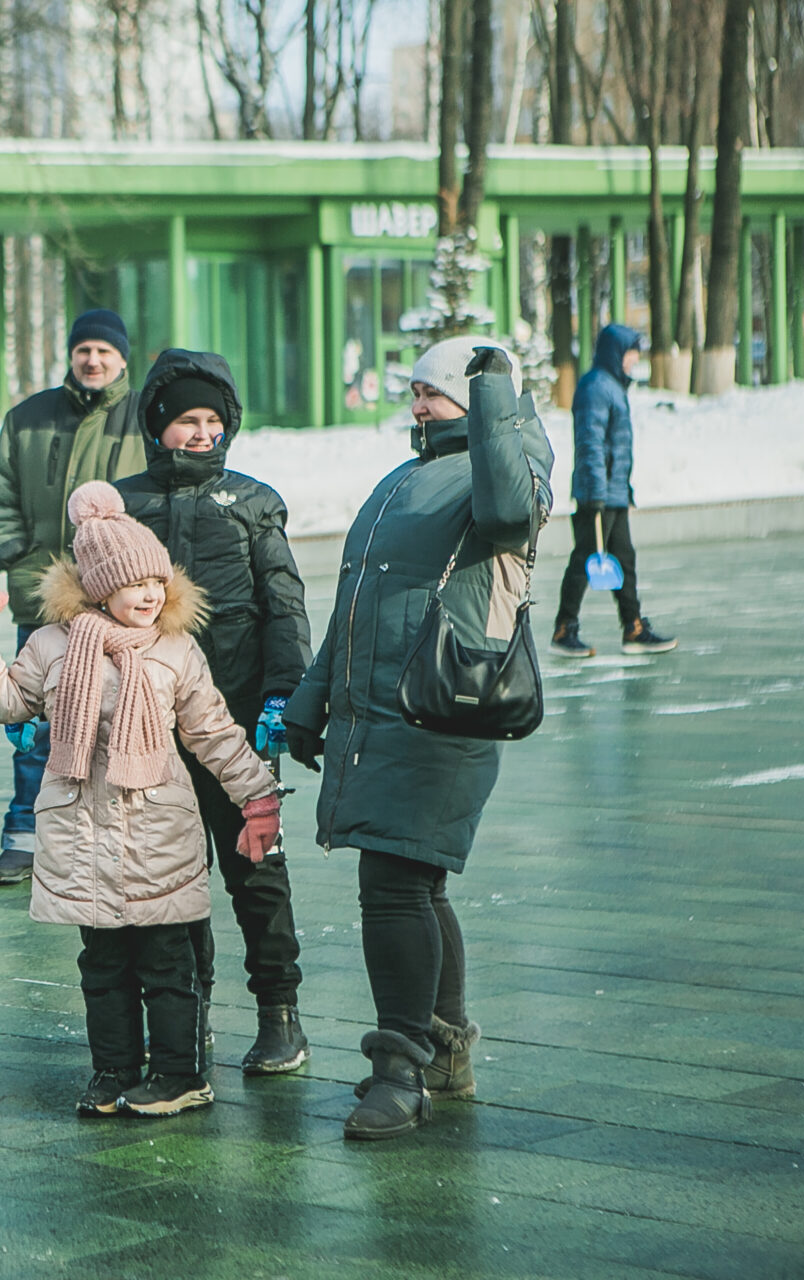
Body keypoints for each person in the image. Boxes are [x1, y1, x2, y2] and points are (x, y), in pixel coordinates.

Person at [283, 339, 552, 1141]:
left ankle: (399, 1072)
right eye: (415, 391)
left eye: (434, 392)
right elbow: (356, 606)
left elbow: (508, 514)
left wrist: (496, 397)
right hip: (379, 712)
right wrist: (310, 700)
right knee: (419, 883)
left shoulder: (510, 465)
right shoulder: (402, 478)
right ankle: (444, 1053)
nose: (419, 404)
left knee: (393, 884)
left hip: (445, 707)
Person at [0, 482, 281, 1117]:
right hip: (82, 832)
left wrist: (257, 799)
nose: (150, 595)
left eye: (157, 581)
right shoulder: (53, 645)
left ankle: (180, 1075)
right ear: (101, 588)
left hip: (158, 830)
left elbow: (214, 733)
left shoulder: (175, 649)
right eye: (134, 584)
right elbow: (5, 701)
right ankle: (114, 1071)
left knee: (167, 964)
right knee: (102, 967)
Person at [114, 349, 314, 1077]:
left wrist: (284, 693)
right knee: (168, 877)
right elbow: (86, 610)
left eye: (212, 421)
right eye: (185, 421)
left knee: (255, 871)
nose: (200, 433)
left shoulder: (253, 502)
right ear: (156, 427)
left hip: (235, 719)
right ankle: (184, 1017)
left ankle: (279, 1013)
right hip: (149, 726)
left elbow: (283, 605)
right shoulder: (122, 503)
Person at [0, 309, 149, 885]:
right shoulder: (28, 418)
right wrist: (16, 551)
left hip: (122, 604)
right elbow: (0, 491)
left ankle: (119, 842)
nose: (93, 360)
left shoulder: (145, 418)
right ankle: (24, 839)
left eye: (104, 351)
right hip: (43, 601)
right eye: (84, 350)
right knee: (36, 725)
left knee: (123, 722)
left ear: (122, 357)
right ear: (72, 355)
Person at [551, 322, 675, 658]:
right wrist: (595, 493)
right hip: (598, 493)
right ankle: (564, 629)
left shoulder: (613, 387)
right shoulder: (595, 387)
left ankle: (633, 627)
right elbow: (590, 443)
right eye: (631, 352)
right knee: (585, 558)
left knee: (625, 560)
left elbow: (616, 447)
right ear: (615, 352)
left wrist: (623, 489)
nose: (635, 359)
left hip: (614, 492)